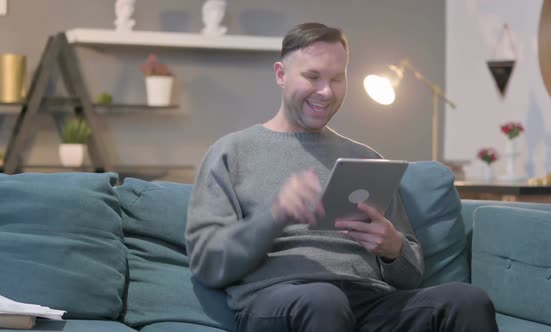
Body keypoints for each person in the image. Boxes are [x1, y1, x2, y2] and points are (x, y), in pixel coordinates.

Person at [185, 22, 498, 332]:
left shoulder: (365, 159)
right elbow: (208, 263)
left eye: (337, 78)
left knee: (466, 300)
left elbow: (411, 274)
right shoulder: (232, 153)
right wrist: (275, 215)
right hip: (278, 299)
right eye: (312, 77)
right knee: (325, 301)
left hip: (367, 301)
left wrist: (393, 248)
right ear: (281, 75)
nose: (326, 92)